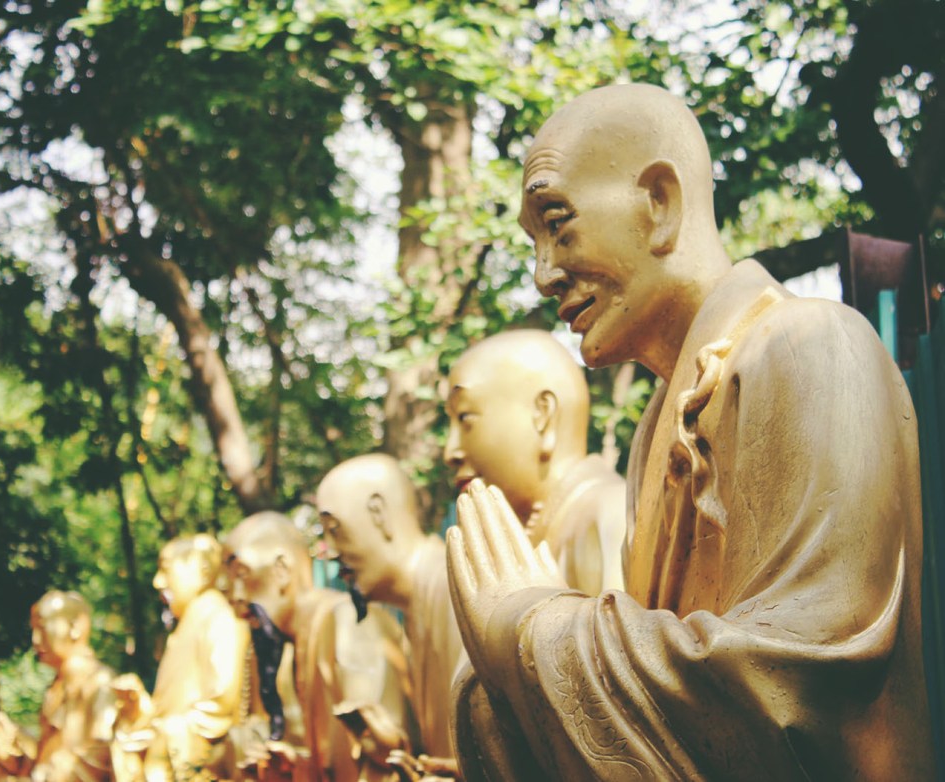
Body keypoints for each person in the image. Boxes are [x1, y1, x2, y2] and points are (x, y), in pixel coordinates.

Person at [446, 83, 935, 780]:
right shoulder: (659, 426)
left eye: (557, 223)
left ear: (660, 203)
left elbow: (800, 688)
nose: (544, 274)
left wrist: (531, 629)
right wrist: (505, 676)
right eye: (535, 243)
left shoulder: (810, 346)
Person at [221, 511, 412, 782]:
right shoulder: (294, 647)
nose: (235, 597)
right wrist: (291, 767)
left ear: (281, 569)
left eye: (242, 574)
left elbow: (387, 758)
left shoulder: (348, 623)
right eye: (229, 583)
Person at [444, 329, 627, 594]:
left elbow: (624, 620)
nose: (451, 452)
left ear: (543, 414)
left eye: (464, 417)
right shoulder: (532, 532)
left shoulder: (611, 515)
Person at [317, 454, 462, 779]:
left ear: (378, 513)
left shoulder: (454, 592)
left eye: (335, 529)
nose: (331, 552)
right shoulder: (417, 609)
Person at [135, 533, 254, 781]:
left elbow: (221, 701)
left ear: (202, 570)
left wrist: (170, 732)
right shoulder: (184, 628)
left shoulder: (219, 617)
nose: (158, 581)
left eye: (166, 569)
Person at [0, 591, 116, 782]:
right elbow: (44, 758)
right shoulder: (55, 687)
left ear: (74, 626)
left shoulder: (99, 682)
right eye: (33, 630)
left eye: (42, 628)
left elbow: (101, 753)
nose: (35, 640)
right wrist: (18, 749)